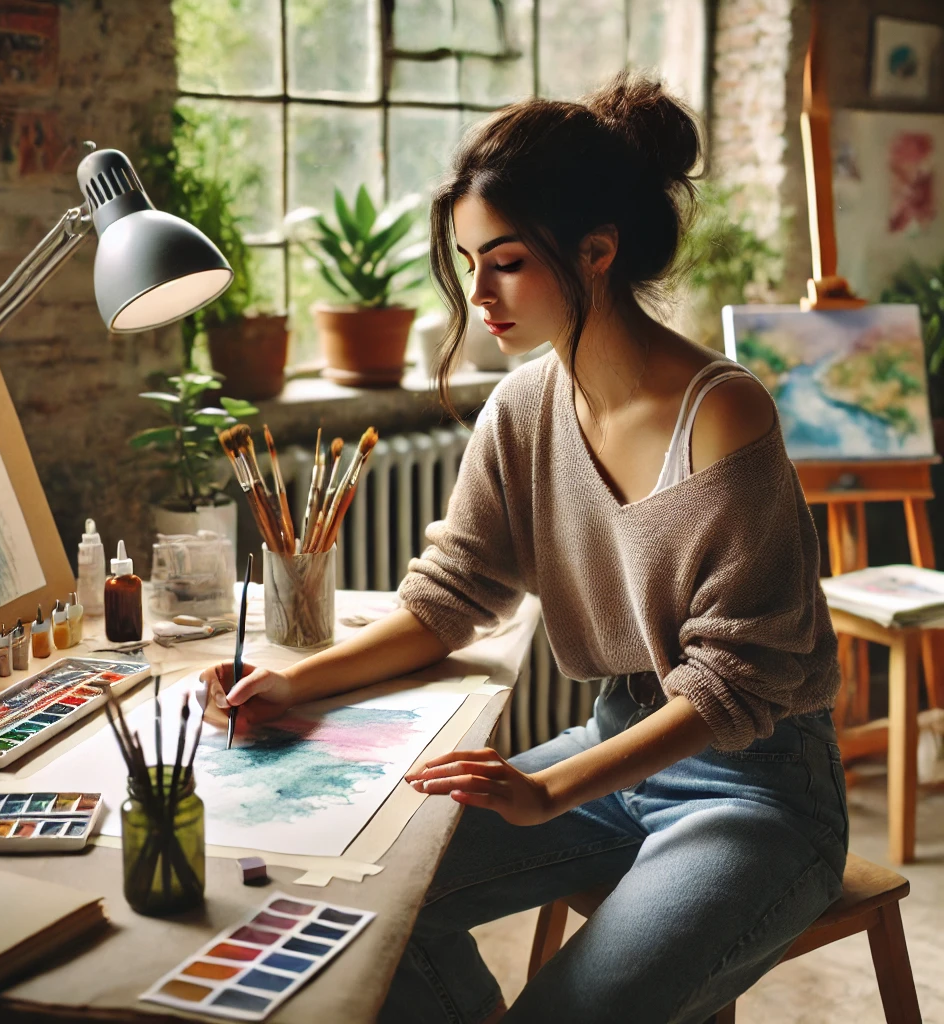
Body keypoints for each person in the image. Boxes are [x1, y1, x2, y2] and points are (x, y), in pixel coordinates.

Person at [201, 72, 847, 1024]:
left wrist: (548, 790)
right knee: (351, 900)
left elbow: (735, 685)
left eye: (504, 261)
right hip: (615, 740)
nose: (479, 294)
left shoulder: (723, 412)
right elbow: (448, 598)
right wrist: (292, 684)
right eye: (468, 263)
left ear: (595, 252)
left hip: (755, 791)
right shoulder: (523, 407)